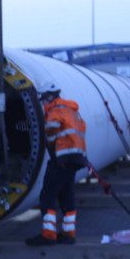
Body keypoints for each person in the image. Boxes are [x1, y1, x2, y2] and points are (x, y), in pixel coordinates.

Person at [26, 80, 87, 246]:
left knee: (47, 196)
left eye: (44, 99)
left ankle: (48, 235)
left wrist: (50, 141)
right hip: (74, 161)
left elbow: (51, 128)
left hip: (60, 159)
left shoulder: (55, 111)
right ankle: (69, 234)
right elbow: (82, 129)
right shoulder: (72, 111)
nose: (43, 103)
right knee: (67, 197)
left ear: (50, 97)